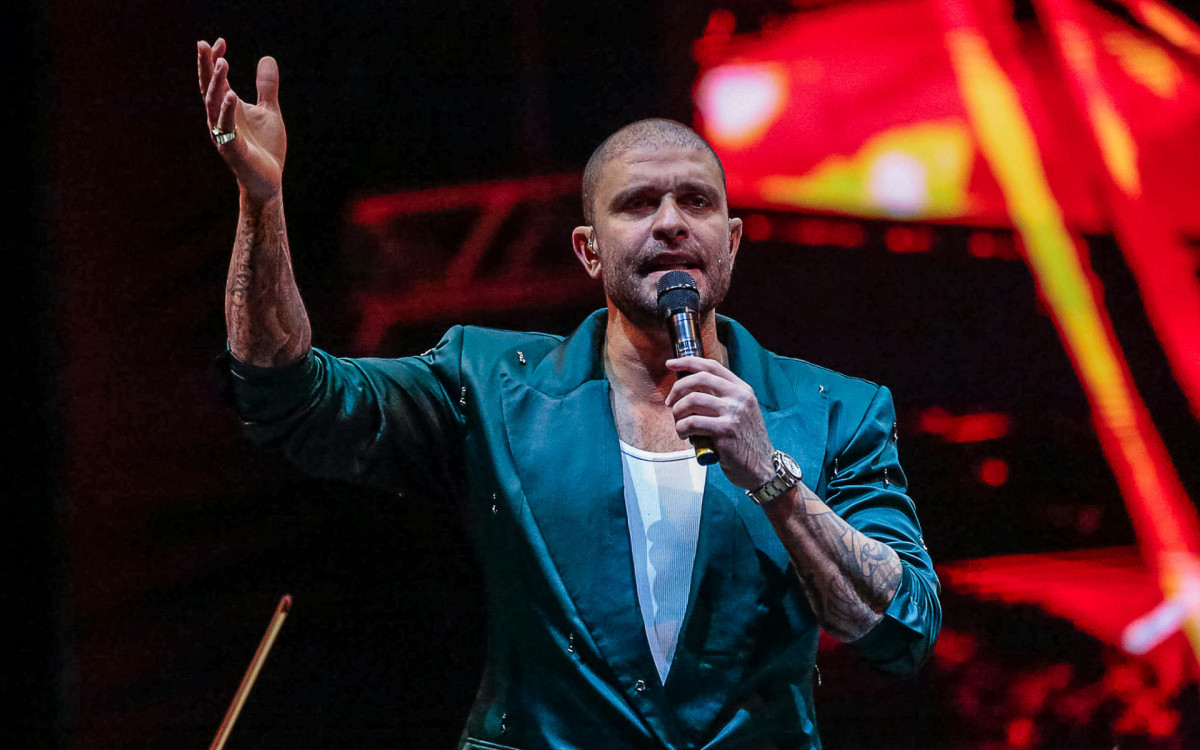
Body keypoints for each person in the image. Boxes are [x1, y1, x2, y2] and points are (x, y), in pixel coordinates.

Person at [198, 37, 940, 749]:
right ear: (587, 249)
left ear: (733, 242)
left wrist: (772, 477)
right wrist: (261, 205)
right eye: (638, 204)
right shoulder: (490, 387)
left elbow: (902, 629)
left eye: (697, 202)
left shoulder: (834, 408)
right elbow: (290, 397)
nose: (672, 222)